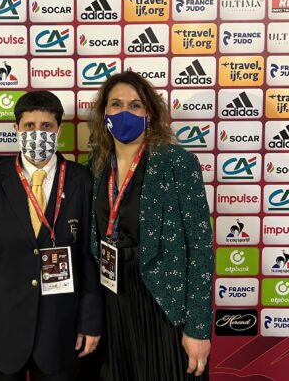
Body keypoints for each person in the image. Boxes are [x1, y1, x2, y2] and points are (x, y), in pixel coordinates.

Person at [0, 90, 103, 381]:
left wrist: (91, 321)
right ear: (16, 129)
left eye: (46, 126)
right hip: (0, 330)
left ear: (59, 130)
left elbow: (88, 256)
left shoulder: (82, 179)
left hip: (61, 329)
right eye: (29, 126)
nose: (38, 133)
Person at [88, 71, 213, 381]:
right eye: (116, 104)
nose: (125, 112)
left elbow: (200, 248)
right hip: (111, 300)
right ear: (104, 113)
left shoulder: (177, 163)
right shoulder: (96, 165)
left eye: (136, 105)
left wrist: (198, 328)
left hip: (163, 302)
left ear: (150, 114)